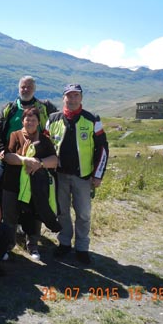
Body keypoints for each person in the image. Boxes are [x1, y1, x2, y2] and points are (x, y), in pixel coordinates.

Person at [45, 84, 108, 265]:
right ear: (63, 98)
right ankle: (64, 243)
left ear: (81, 98)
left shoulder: (92, 119)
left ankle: (82, 248)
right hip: (59, 176)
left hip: (83, 176)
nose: (72, 99)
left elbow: (102, 148)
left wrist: (98, 175)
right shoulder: (53, 119)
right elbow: (45, 144)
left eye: (76, 96)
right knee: (62, 212)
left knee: (84, 214)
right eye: (69, 96)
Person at [1, 108, 61, 260]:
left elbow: (54, 161)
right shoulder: (15, 136)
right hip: (12, 184)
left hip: (35, 187)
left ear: (38, 122)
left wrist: (39, 163)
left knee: (35, 216)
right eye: (27, 119)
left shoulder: (45, 140)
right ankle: (8, 245)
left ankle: (33, 246)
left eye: (34, 120)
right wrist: (25, 160)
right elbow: (8, 157)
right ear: (22, 121)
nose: (30, 122)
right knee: (10, 216)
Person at [0, 75, 58, 191]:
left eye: (29, 87)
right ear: (18, 89)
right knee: (0, 190)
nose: (26, 90)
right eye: (23, 87)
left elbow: (59, 123)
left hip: (37, 159)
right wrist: (1, 149)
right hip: (11, 157)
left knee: (37, 194)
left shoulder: (45, 107)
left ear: (34, 89)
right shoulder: (8, 108)